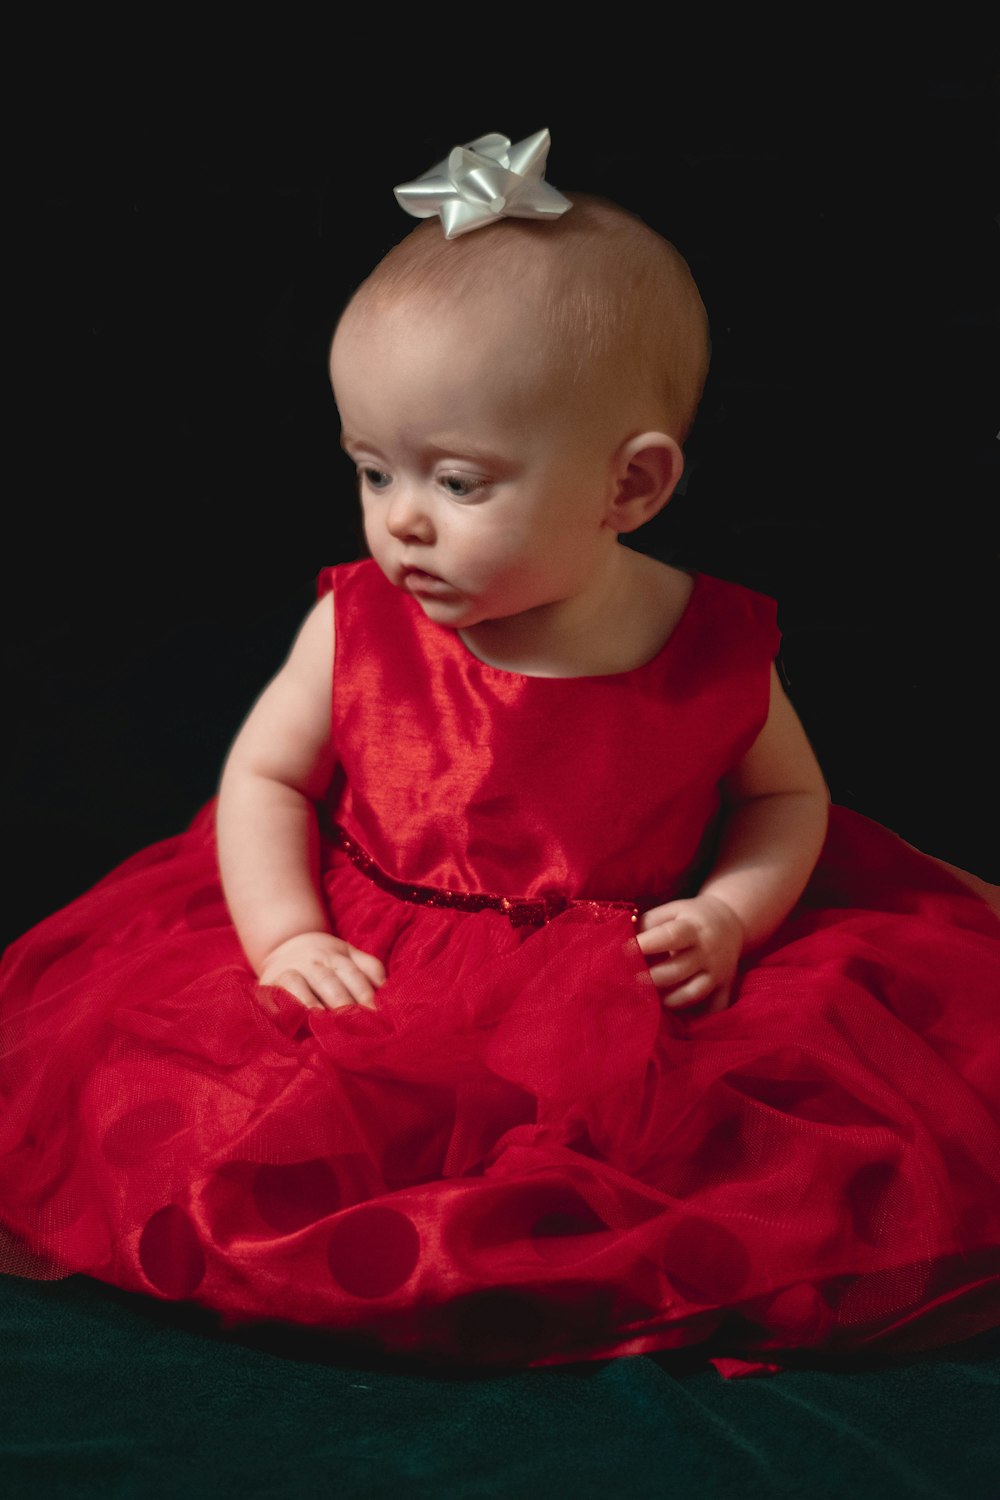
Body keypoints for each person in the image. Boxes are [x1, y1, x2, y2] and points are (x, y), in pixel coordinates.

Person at [1, 132, 997, 1378]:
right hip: (379, 952)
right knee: (219, 1135)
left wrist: (733, 915)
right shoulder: (358, 618)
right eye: (372, 469)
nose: (400, 518)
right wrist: (286, 936)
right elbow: (262, 780)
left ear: (628, 488)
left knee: (741, 1173)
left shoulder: (706, 641)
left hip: (622, 974)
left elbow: (788, 799)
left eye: (459, 482)